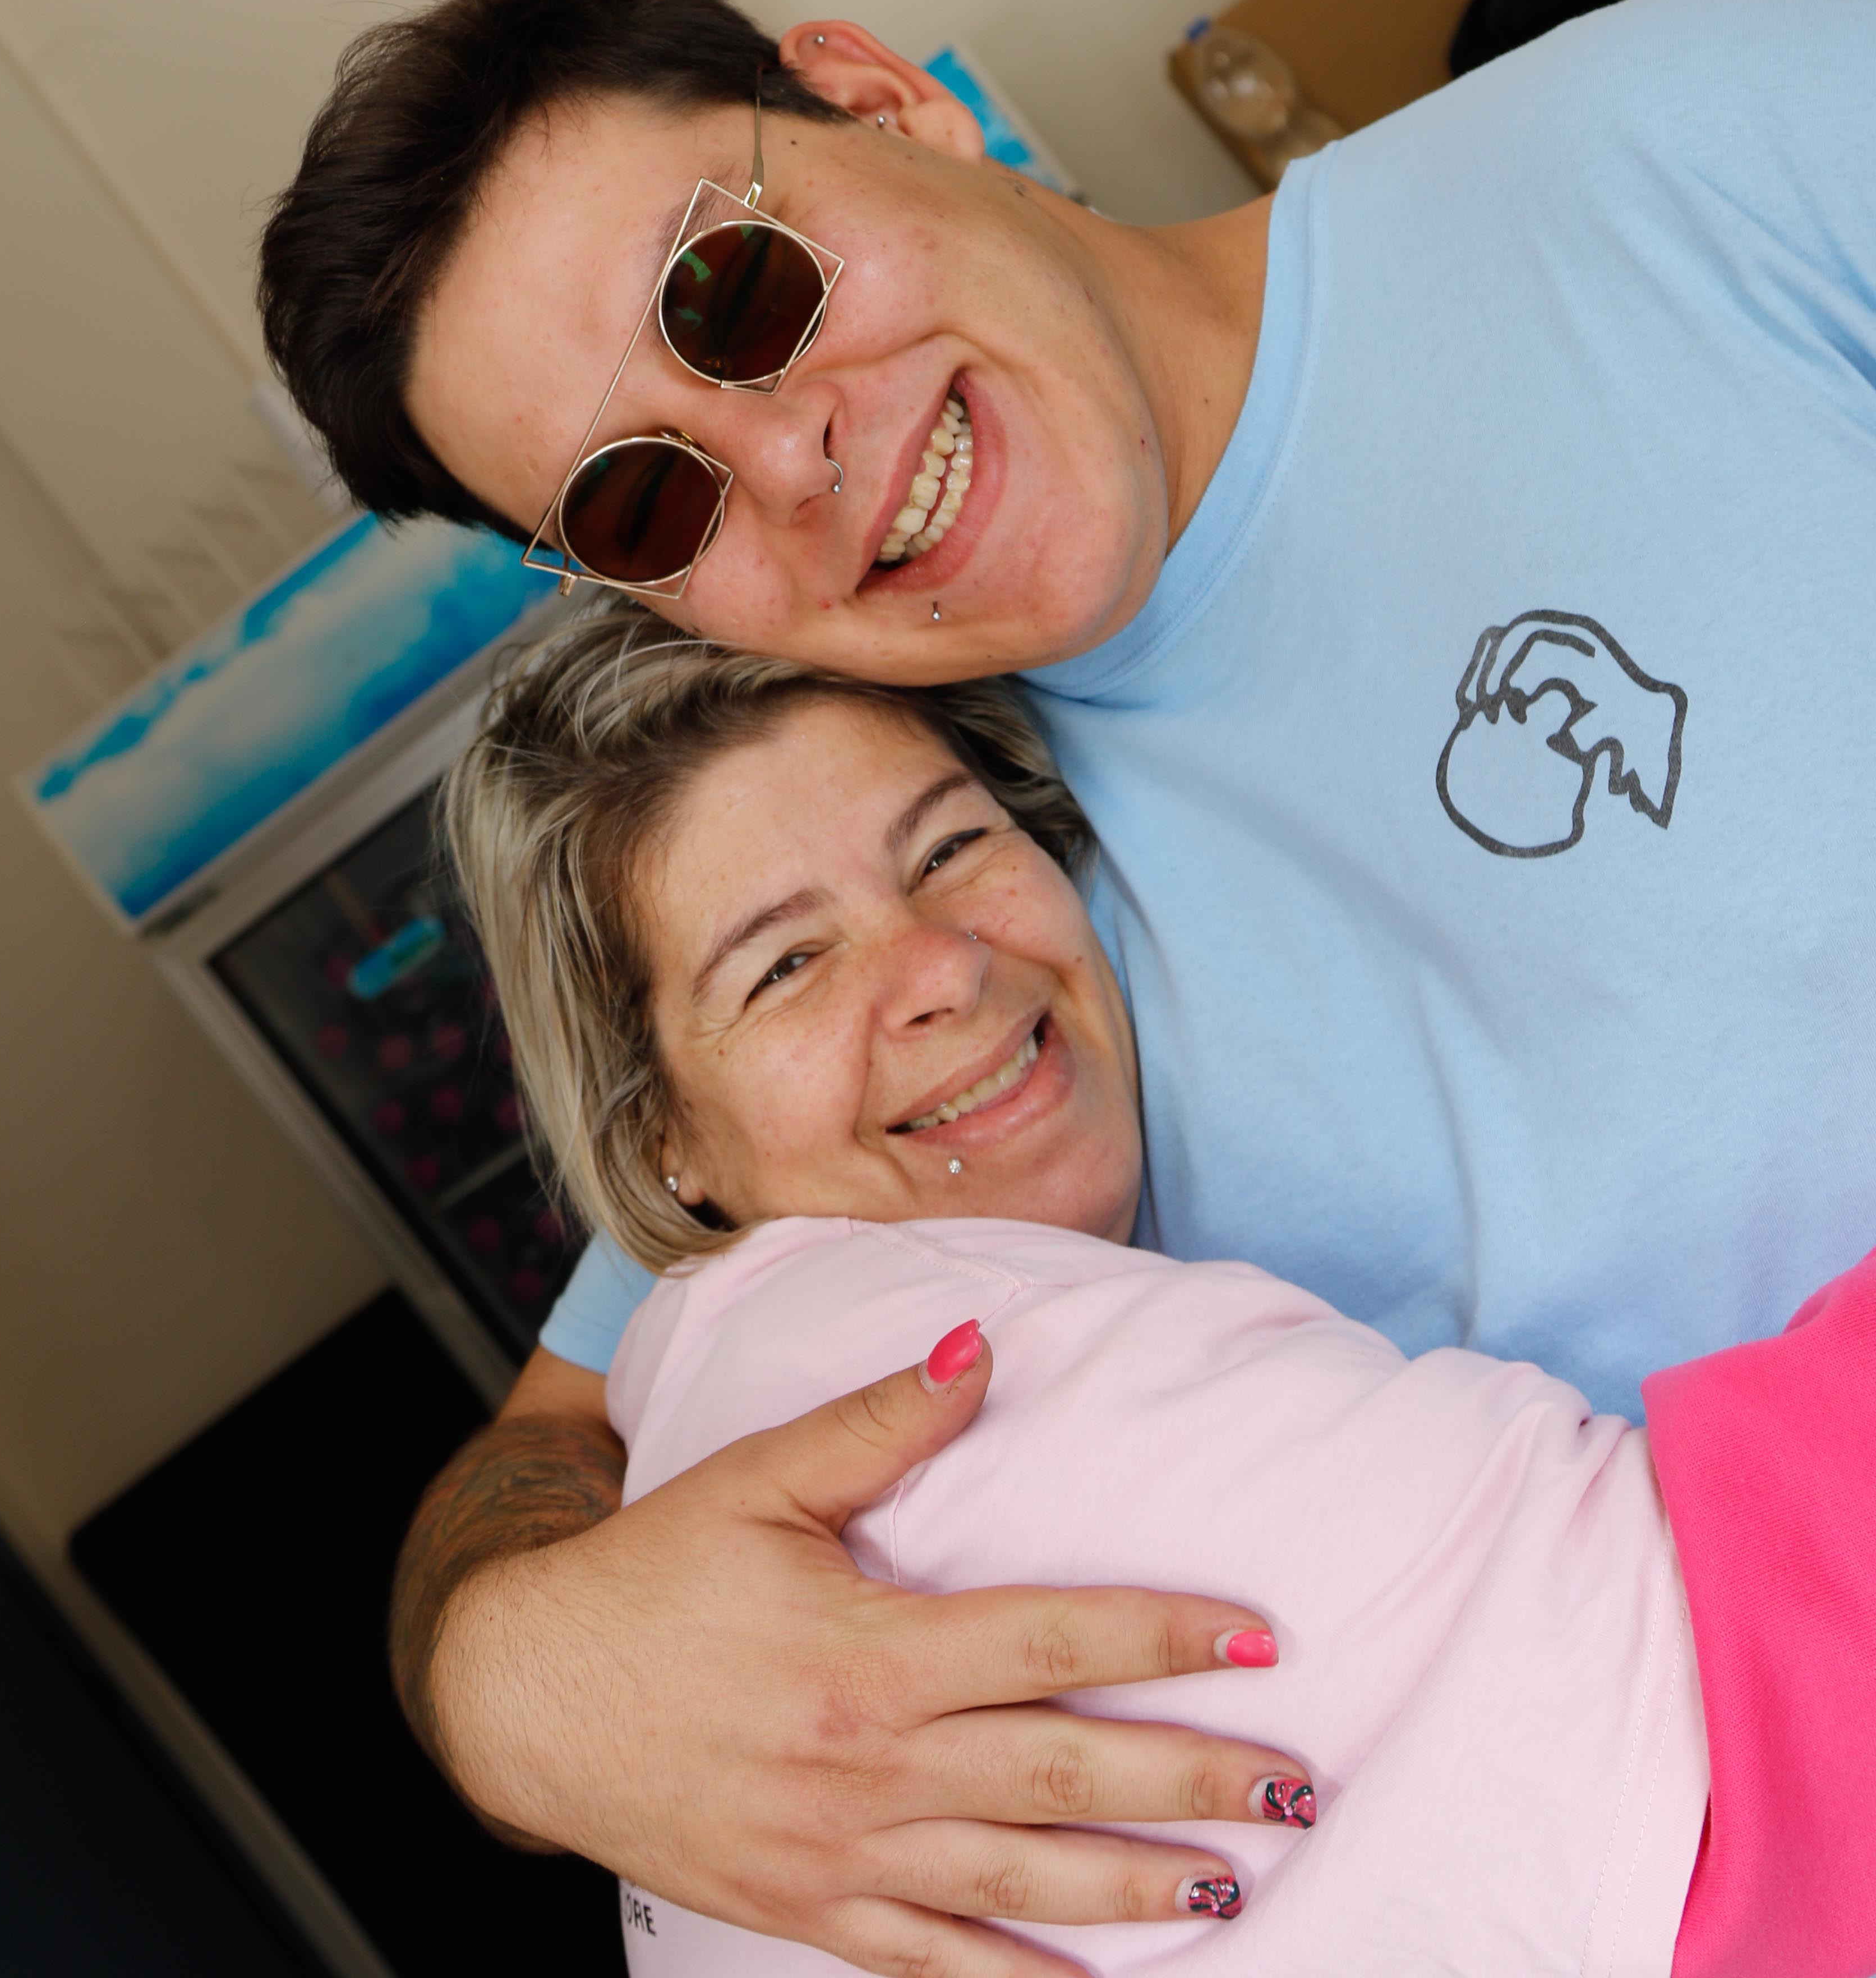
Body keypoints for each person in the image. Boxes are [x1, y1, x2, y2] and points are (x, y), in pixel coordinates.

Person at [257, 0, 1876, 1970]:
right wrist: (525, 1682)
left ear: (883, 104)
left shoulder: (1685, 157)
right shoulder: (929, 885)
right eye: (648, 497)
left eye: (735, 295)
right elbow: (547, 1446)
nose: (790, 460)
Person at [438, 596, 1875, 1978]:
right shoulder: (946, 1356)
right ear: (663, 1143)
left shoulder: (719, 1381)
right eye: (788, 965)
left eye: (949, 848)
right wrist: (504, 1677)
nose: (942, 964)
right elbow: (1781, 1679)